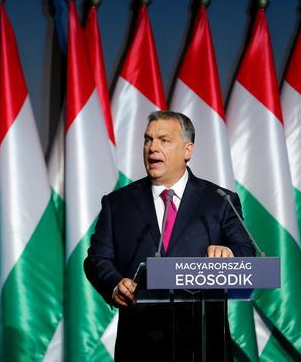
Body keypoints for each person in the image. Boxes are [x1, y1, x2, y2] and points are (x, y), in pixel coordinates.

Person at [84, 110, 256, 360]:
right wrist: (114, 284)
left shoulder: (219, 201)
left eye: (164, 140)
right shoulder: (118, 204)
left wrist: (229, 253)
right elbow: (97, 259)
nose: (152, 147)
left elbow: (247, 252)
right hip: (139, 348)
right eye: (148, 140)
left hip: (204, 346)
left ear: (188, 150)